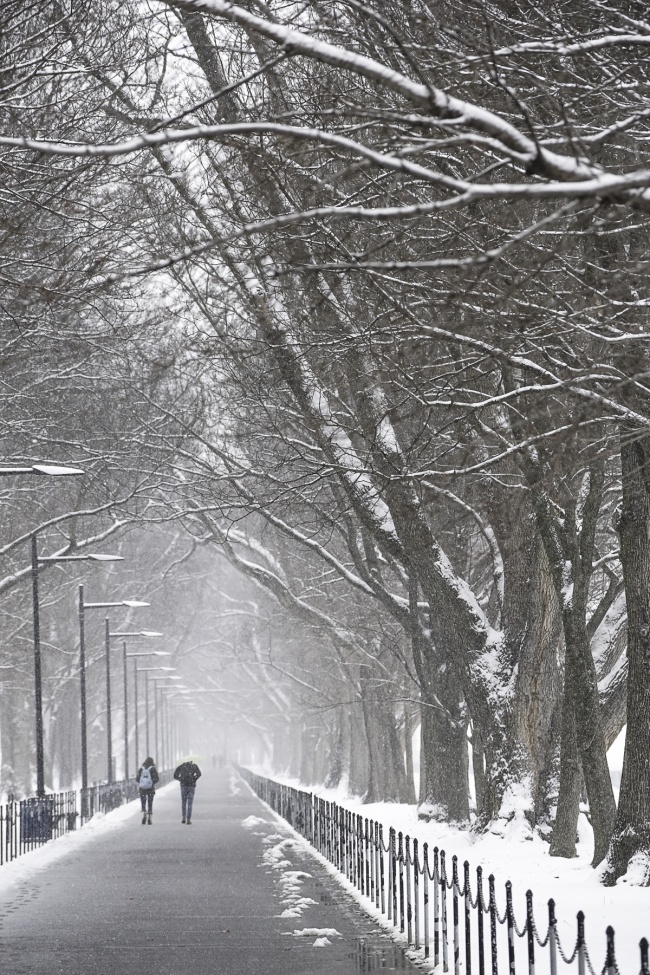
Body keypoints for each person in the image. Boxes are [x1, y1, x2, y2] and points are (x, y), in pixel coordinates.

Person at [173, 758, 201, 824]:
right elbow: (199, 774)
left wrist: (180, 779)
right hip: (191, 786)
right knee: (190, 803)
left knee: (183, 802)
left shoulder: (182, 766)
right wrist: (194, 779)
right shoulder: (194, 766)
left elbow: (175, 775)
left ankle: (183, 817)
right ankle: (189, 819)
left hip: (184, 786)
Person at [136, 756, 159, 825]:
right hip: (150, 789)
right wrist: (152, 782)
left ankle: (144, 813)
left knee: (143, 802)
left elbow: (137, 779)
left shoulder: (141, 769)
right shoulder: (153, 769)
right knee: (150, 802)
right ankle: (149, 818)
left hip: (142, 789)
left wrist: (143, 782)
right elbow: (157, 779)